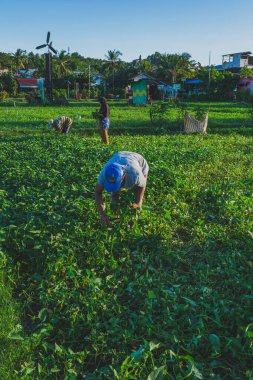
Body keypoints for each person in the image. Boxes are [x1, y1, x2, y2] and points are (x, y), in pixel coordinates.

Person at [95, 151, 149, 226]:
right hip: (119, 155)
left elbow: (142, 186)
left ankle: (134, 219)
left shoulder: (135, 174)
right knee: (115, 195)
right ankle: (117, 216)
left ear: (123, 177)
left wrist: (138, 203)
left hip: (140, 162)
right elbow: (98, 193)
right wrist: (103, 214)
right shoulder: (104, 174)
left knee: (137, 193)